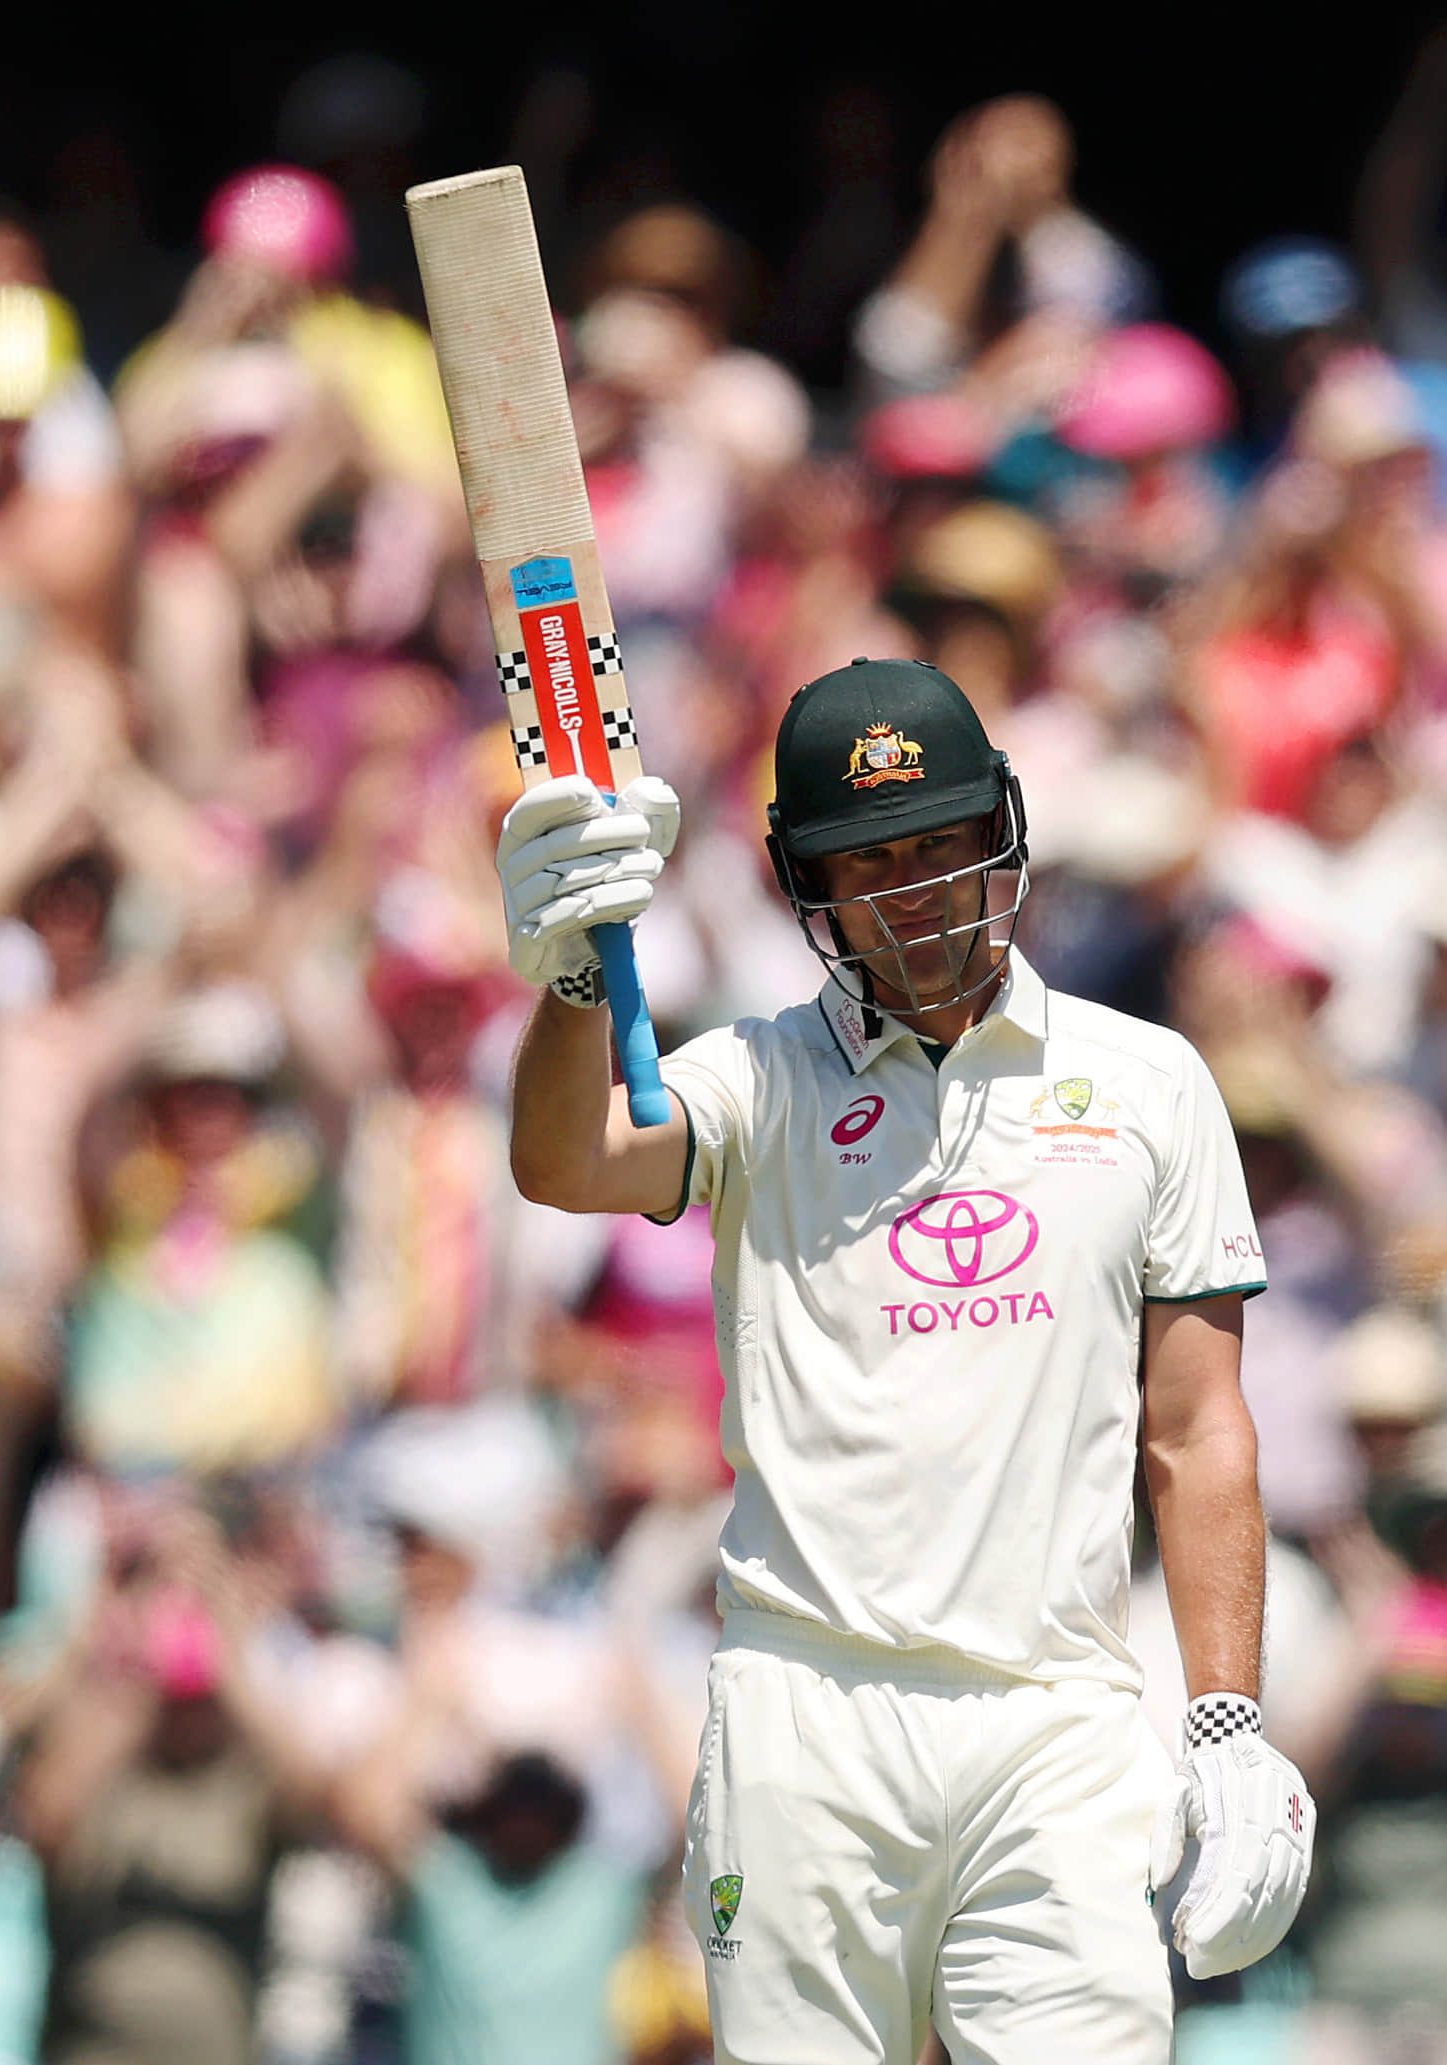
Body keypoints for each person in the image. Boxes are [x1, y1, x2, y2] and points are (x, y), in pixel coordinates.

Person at [498, 656, 1311, 2059]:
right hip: (804, 1709)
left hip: (1056, 1711)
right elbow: (570, 1158)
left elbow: (1196, 1430)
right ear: (803, 885)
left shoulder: (1147, 1082)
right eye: (870, 862)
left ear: (1005, 826)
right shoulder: (755, 1078)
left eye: (941, 844)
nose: (917, 892)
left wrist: (1228, 1718)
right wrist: (579, 969)